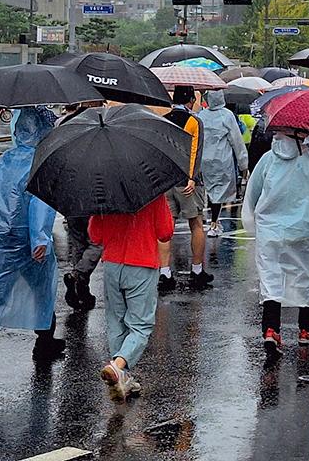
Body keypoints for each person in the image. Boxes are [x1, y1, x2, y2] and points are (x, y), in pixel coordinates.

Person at [0, 108, 65, 371]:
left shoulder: (7, 158)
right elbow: (40, 203)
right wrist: (40, 239)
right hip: (24, 238)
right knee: (42, 289)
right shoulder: (41, 162)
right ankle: (44, 341)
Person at [244, 132, 309, 363]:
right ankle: (306, 328)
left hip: (271, 230)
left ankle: (271, 328)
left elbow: (253, 193)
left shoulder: (267, 159)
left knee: (271, 277)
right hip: (306, 228)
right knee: (307, 276)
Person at [89, 191, 174, 401]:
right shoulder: (153, 192)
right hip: (142, 263)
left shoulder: (103, 191)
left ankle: (122, 376)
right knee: (140, 325)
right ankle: (118, 366)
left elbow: (95, 235)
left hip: (112, 264)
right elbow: (165, 232)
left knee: (116, 322)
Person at [158, 86, 211, 292]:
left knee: (166, 228)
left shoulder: (164, 119)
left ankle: (165, 273)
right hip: (187, 181)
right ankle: (197, 270)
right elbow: (196, 151)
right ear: (190, 99)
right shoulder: (194, 121)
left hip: (166, 180)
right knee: (196, 224)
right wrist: (192, 177)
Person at [58, 101, 102, 311]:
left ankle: (81, 289)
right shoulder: (97, 140)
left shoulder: (66, 134)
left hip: (70, 198)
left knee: (78, 244)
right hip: (92, 198)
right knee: (98, 241)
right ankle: (79, 275)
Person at [197, 90, 247, 238]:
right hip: (221, 159)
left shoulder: (202, 115)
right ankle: (214, 223)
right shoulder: (227, 115)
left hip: (203, 159)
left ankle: (205, 221)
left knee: (206, 191)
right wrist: (243, 164)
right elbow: (237, 141)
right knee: (218, 193)